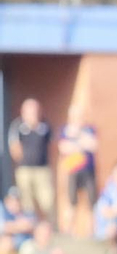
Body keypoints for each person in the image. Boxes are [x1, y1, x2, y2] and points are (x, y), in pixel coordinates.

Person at [8, 98, 53, 221]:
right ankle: (32, 229)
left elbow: (51, 146)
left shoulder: (45, 125)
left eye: (35, 110)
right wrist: (24, 160)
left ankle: (46, 227)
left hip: (42, 169)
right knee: (28, 203)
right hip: (25, 170)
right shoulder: (18, 126)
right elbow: (14, 148)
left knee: (46, 201)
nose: (33, 113)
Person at [57, 105, 97, 234]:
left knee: (91, 203)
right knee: (71, 201)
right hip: (73, 170)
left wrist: (77, 139)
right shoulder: (65, 130)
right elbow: (63, 147)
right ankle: (70, 231)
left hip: (88, 170)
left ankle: (91, 232)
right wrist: (81, 143)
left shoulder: (90, 129)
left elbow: (93, 145)